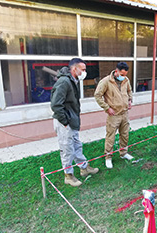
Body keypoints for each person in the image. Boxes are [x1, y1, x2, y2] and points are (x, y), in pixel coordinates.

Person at [51, 58, 99, 187]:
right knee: (67, 149)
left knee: (77, 145)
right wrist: (65, 121)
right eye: (83, 69)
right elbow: (56, 105)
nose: (85, 72)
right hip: (65, 122)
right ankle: (68, 175)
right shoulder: (64, 82)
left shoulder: (73, 80)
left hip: (72, 120)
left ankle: (84, 167)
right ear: (74, 69)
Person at [94, 62, 133, 169]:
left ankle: (124, 153)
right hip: (114, 114)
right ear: (116, 71)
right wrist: (107, 108)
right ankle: (108, 157)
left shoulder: (126, 80)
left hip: (125, 113)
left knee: (125, 134)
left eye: (125, 74)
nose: (123, 76)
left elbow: (129, 91)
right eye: (122, 74)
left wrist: (130, 100)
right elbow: (97, 95)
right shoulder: (106, 81)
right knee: (110, 136)